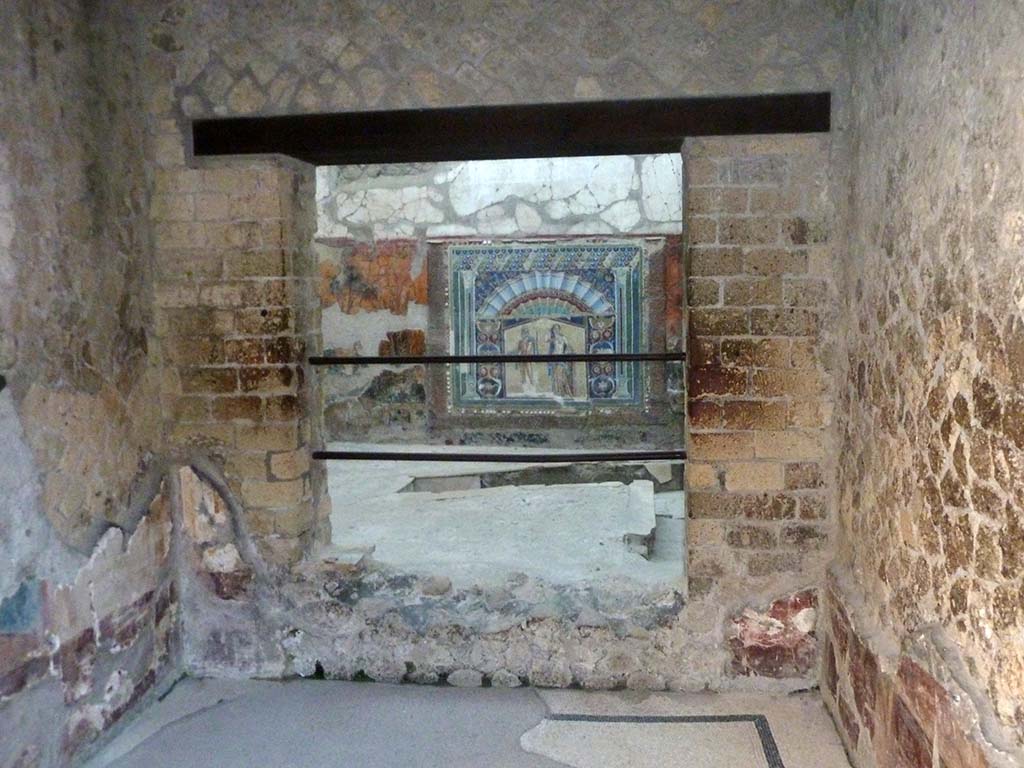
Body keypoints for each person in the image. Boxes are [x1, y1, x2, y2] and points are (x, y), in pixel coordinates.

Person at [547, 324, 575, 398]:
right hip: (554, 359)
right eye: (554, 329)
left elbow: (568, 347)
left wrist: (565, 354)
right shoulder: (552, 339)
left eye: (557, 328)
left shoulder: (563, 338)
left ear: (559, 329)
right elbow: (547, 340)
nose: (556, 330)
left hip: (561, 359)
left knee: (560, 377)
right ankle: (565, 393)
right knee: (558, 377)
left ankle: (564, 393)